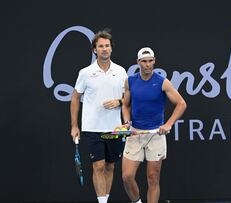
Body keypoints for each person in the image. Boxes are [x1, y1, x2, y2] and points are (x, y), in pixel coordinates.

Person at [120, 47, 187, 203]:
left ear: (154, 61)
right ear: (138, 62)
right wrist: (127, 122)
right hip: (135, 134)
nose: (147, 65)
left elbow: (181, 104)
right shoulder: (130, 81)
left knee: (153, 178)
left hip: (156, 135)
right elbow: (125, 105)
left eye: (150, 61)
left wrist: (168, 124)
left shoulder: (162, 82)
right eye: (144, 61)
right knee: (127, 177)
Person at [70, 29, 127, 203]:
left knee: (110, 166)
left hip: (115, 128)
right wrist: (74, 125)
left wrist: (119, 101)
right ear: (94, 50)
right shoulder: (85, 72)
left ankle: (105, 200)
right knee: (99, 166)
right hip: (92, 127)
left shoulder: (121, 71)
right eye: (100, 46)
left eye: (107, 46)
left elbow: (128, 98)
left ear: (111, 49)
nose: (104, 49)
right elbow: (75, 97)